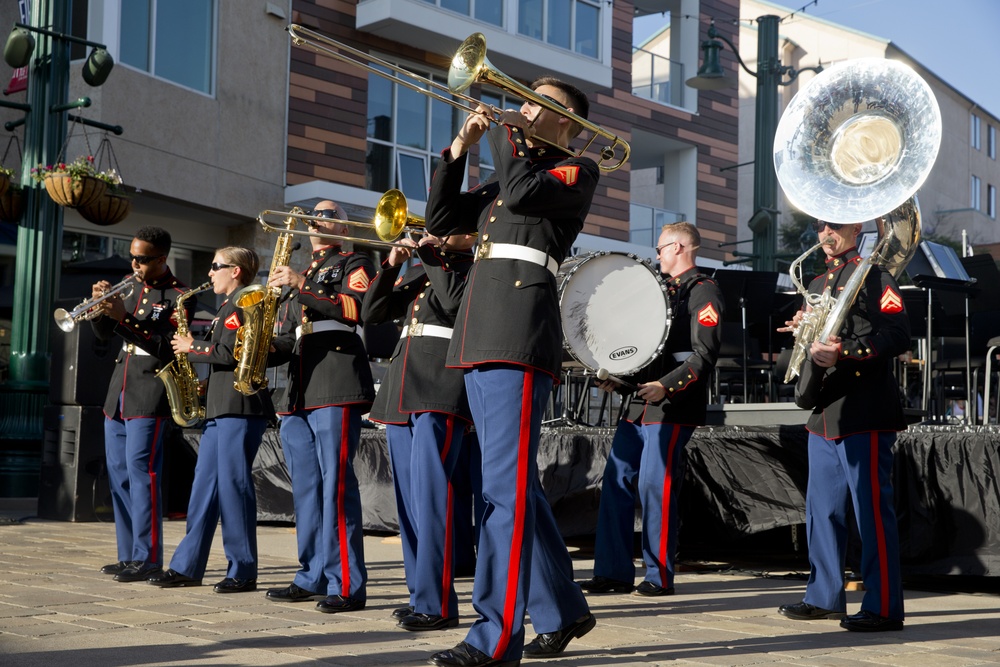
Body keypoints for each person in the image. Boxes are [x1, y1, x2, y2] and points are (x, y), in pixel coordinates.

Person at [424, 77, 599, 666]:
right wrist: (459, 149)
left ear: (567, 120)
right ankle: (563, 608)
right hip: (482, 332)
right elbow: (443, 216)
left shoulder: (575, 169)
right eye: (523, 100)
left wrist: (506, 133)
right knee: (513, 485)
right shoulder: (511, 164)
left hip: (518, 334)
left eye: (537, 102)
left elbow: (524, 194)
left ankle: (496, 637)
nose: (522, 106)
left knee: (503, 492)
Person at [776, 219, 909, 632]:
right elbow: (815, 340)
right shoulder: (818, 281)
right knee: (822, 511)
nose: (825, 234)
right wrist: (802, 334)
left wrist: (846, 351)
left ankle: (884, 606)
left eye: (834, 226)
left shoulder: (875, 274)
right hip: (824, 412)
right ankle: (823, 597)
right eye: (820, 227)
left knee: (871, 514)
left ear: (855, 227)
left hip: (864, 409)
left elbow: (898, 335)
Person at [580, 222, 724, 597]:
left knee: (654, 487)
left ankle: (658, 576)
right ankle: (612, 572)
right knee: (616, 481)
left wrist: (667, 385)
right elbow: (648, 351)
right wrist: (619, 379)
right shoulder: (661, 292)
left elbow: (703, 354)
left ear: (678, 247)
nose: (656, 254)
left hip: (672, 405)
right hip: (639, 404)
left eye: (660, 248)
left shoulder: (703, 290)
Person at [264, 200, 377, 613]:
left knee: (337, 485)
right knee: (307, 491)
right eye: (316, 213)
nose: (319, 216)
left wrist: (299, 284)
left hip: (335, 380)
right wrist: (255, 347)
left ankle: (346, 584)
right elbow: (291, 335)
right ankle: (312, 574)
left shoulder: (355, 260)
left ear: (344, 227)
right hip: (298, 389)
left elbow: (353, 310)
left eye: (330, 213)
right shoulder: (305, 273)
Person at [360, 232, 476, 631]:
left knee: (430, 498)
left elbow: (454, 303)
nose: (439, 237)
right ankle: (420, 594)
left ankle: (438, 604)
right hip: (402, 386)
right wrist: (391, 265)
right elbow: (371, 313)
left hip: (439, 386)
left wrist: (428, 254)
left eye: (448, 231)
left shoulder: (472, 268)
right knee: (409, 504)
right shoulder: (424, 269)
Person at [148, 247, 274, 592]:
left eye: (216, 266)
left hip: (240, 406)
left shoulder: (243, 302)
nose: (210, 272)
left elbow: (236, 353)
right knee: (204, 487)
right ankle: (187, 566)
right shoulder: (225, 307)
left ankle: (243, 569)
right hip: (222, 406)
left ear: (235, 271)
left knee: (234, 488)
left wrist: (193, 346)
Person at [91, 226, 191, 583]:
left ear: (162, 258)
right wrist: (100, 310)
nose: (135, 263)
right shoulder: (129, 285)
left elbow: (167, 347)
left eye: (143, 259)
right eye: (132, 255)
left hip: (150, 392)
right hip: (118, 391)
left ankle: (147, 557)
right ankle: (127, 554)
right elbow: (105, 336)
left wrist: (124, 318)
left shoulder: (180, 295)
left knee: (141, 475)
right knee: (118, 476)